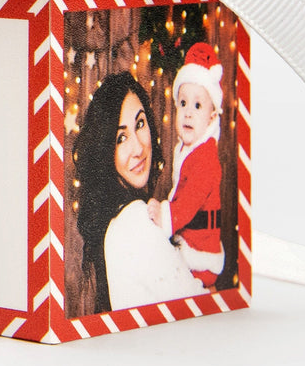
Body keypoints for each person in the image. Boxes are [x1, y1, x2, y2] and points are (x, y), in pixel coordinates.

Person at [73, 72, 204, 313]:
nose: (138, 148)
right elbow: (199, 311)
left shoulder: (118, 218)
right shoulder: (136, 219)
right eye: (121, 138)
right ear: (105, 151)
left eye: (140, 124)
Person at [147, 43, 224, 287]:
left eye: (198, 106)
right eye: (183, 103)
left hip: (200, 256)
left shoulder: (206, 158)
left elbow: (190, 201)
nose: (188, 113)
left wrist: (165, 215)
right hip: (188, 239)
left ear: (212, 117)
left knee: (163, 273)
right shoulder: (188, 149)